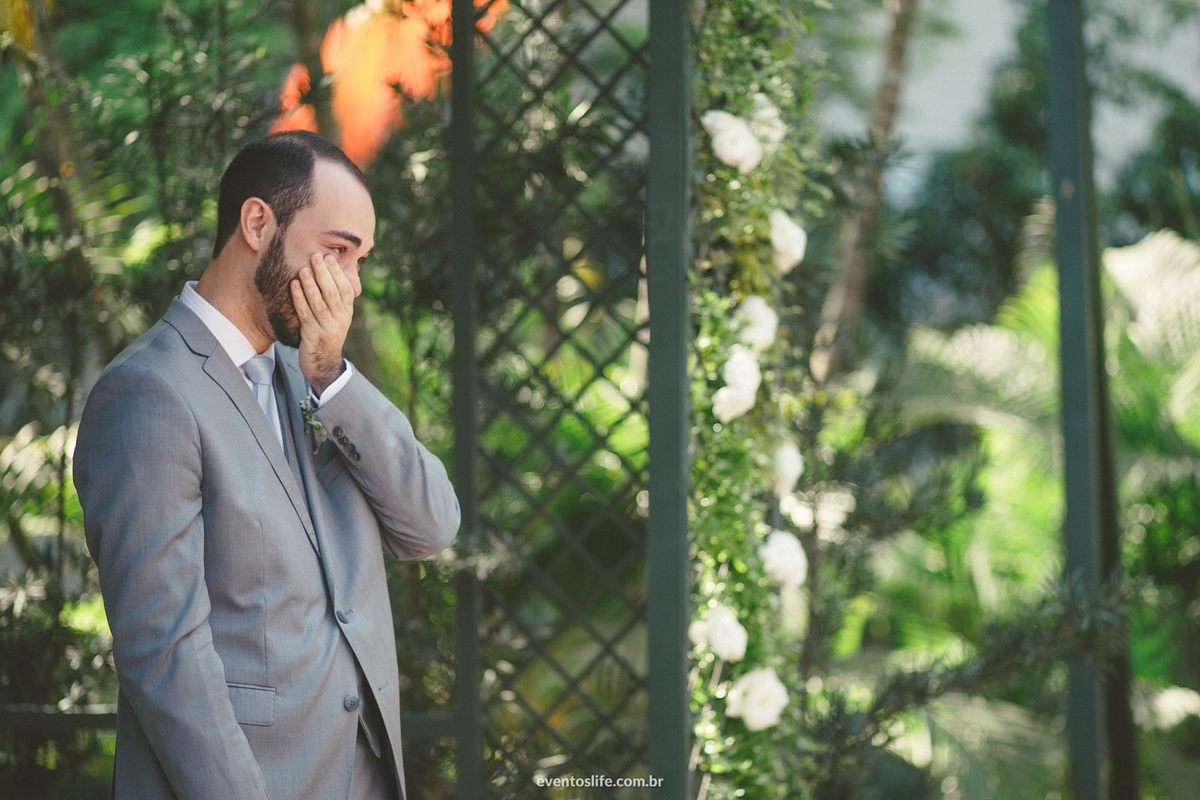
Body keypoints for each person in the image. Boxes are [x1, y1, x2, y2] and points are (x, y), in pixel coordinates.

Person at [73, 130, 460, 800]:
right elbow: (165, 657)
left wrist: (332, 377)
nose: (351, 284)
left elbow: (431, 526)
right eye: (336, 249)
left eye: (360, 260)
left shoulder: (313, 377)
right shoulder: (147, 394)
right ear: (258, 223)